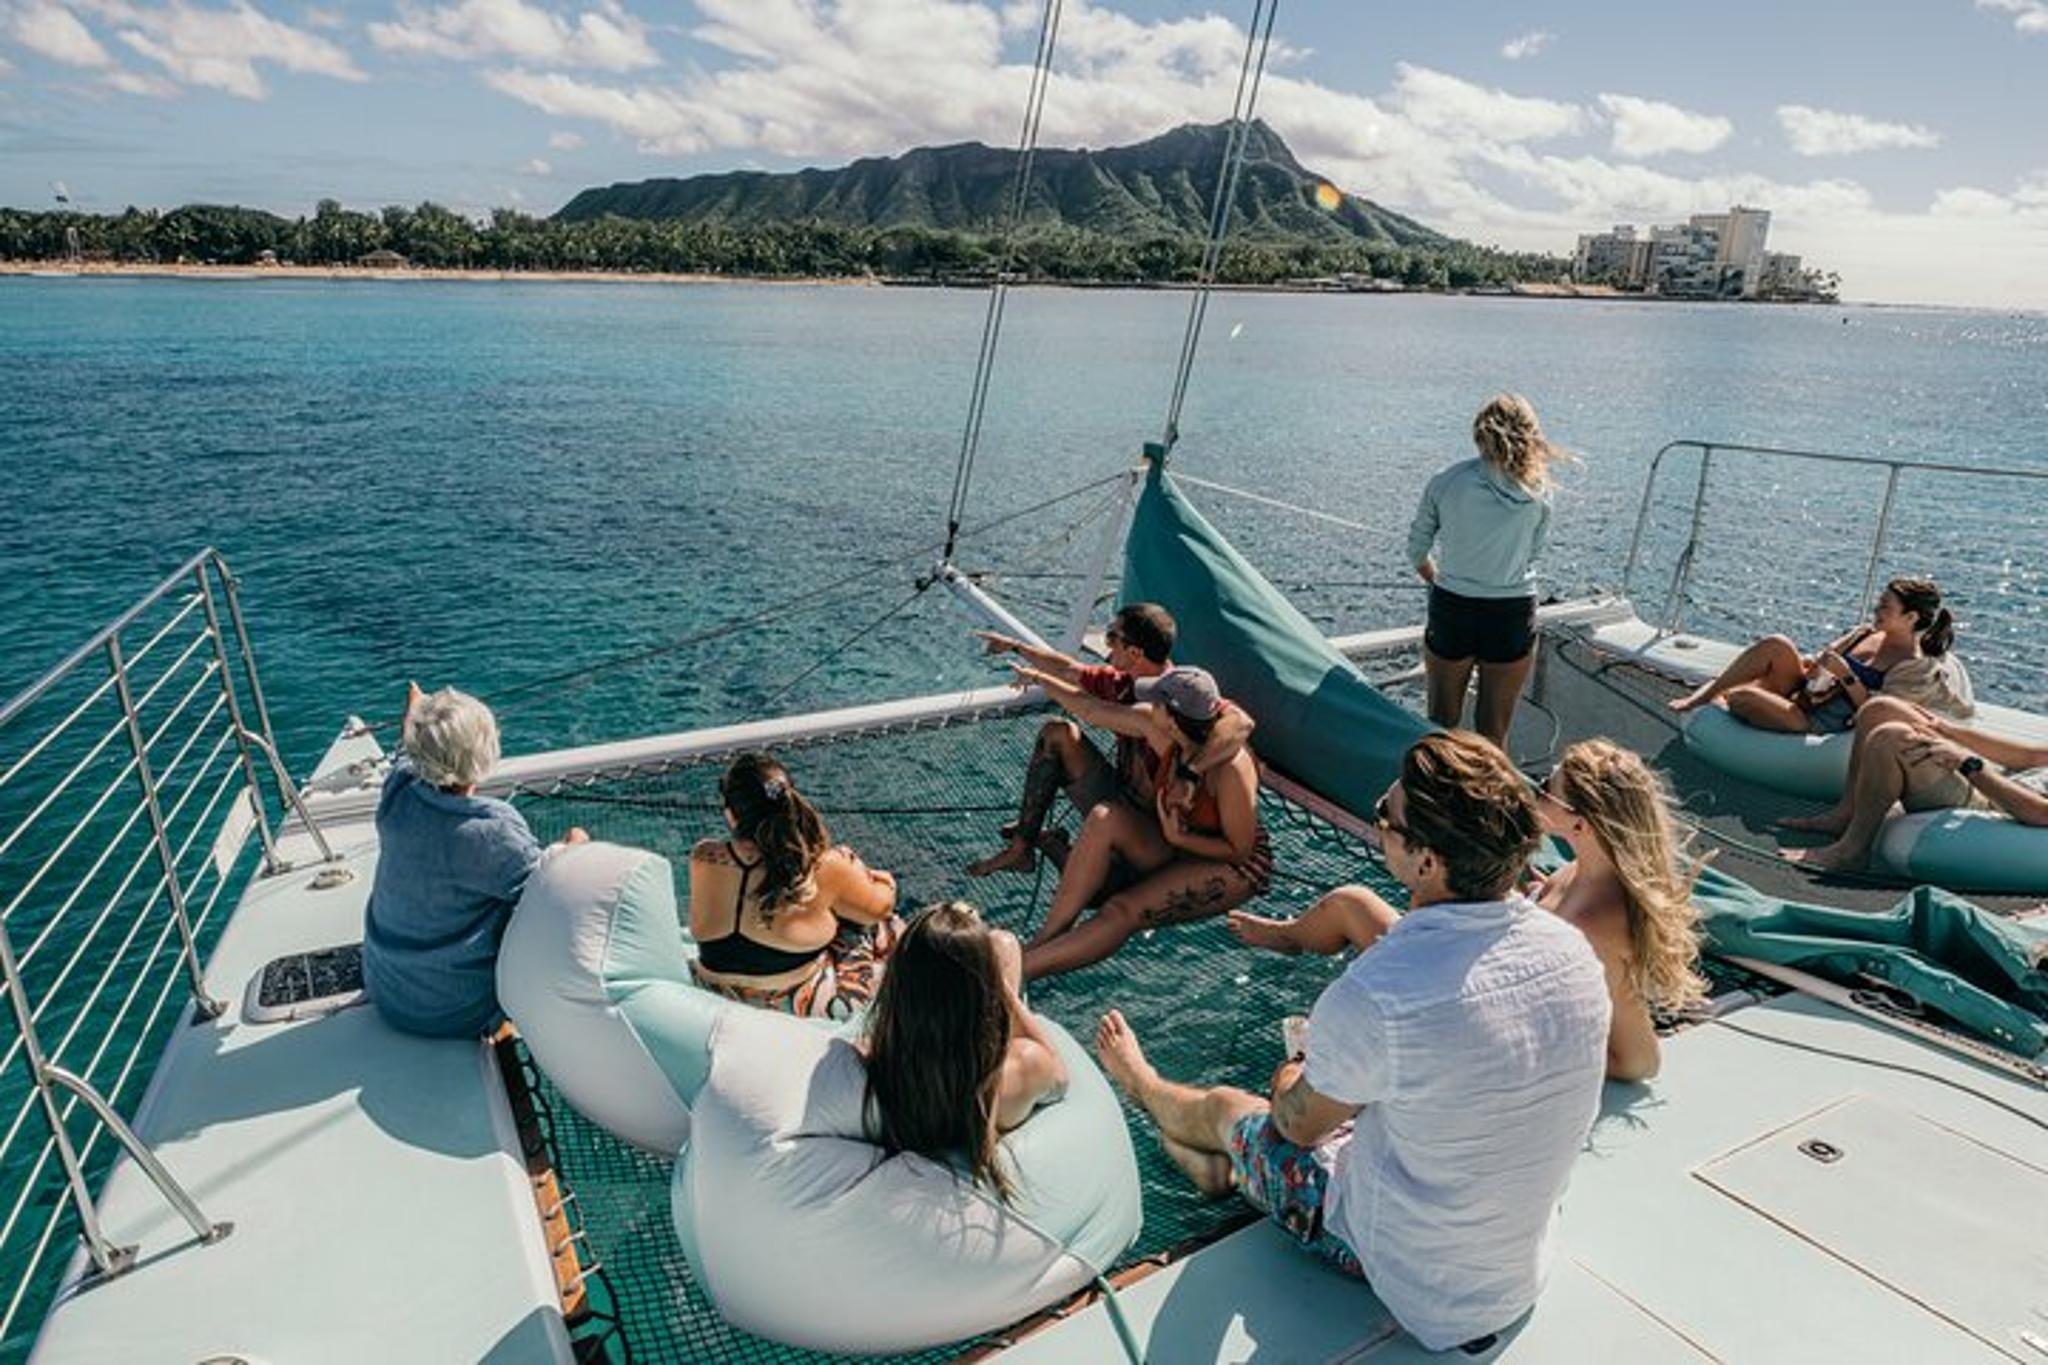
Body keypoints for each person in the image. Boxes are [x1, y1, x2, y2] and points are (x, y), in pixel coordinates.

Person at [1095, 732, 1610, 1352]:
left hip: (1418, 1283)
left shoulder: (1381, 993)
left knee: (1234, 1111)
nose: (1378, 824)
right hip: (1516, 1272)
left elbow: (1295, 1128)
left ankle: (1144, 1087)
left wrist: (1296, 1068)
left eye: (1384, 818)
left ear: (1427, 862)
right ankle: (1213, 1167)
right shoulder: (1572, 953)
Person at [1231, 738, 1705, 1082]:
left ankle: (1287, 940)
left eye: (1545, 788)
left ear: (1579, 823)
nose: (1533, 791)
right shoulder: (1579, 875)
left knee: (1353, 905)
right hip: (1479, 969)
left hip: (1482, 1012)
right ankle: (1288, 935)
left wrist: (1528, 1057)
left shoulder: (1598, 924)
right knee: (1350, 904)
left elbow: (1641, 1061)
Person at [1005, 665, 1270, 981]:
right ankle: (1043, 941)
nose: (1146, 706)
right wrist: (1040, 677)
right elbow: (1092, 709)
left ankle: (1021, 972)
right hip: (1176, 841)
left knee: (1121, 910)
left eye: (1155, 702)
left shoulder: (1231, 770)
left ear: (1172, 718)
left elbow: (1239, 850)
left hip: (1232, 863)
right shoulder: (1163, 734)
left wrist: (1182, 838)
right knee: (1106, 816)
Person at [364, 682, 588, 1038]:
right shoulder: (491, 830)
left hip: (388, 992)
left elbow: (405, 756)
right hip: (456, 1009)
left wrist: (419, 709)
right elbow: (550, 889)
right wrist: (575, 845)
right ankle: (505, 1025)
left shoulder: (398, 790)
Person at [861, 901, 1069, 1201]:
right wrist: (1002, 987)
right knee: (1005, 945)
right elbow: (1061, 1081)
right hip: (988, 1089)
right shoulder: (1024, 1063)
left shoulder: (873, 1060)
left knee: (997, 943)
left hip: (925, 1085)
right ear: (983, 991)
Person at [966, 603, 1177, 877]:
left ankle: (1054, 845)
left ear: (1135, 652)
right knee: (1058, 734)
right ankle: (1021, 849)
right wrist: (1015, 647)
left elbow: (1092, 712)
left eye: (1112, 638)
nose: (1107, 645)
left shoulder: (1169, 701)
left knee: (1097, 888)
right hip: (1123, 796)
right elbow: (1070, 670)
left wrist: (1038, 678)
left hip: (1153, 830)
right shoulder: (1126, 682)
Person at [688, 752, 902, 1018]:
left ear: (732, 815)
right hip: (795, 1006)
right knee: (880, 923)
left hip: (713, 993)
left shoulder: (704, 856)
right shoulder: (822, 867)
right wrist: (865, 873)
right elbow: (881, 908)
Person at [1408, 393, 1564, 748]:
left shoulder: (1447, 481)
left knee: (1440, 725)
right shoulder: (1539, 492)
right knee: (1493, 733)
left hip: (1453, 607)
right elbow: (1532, 555)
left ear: (1478, 433)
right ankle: (1489, 801)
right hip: (1511, 613)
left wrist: (1436, 580)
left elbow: (1416, 550)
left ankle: (1436, 797)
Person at [1667, 577, 1973, 732]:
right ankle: (1701, 698)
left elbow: (1879, 713)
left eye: (1885, 608)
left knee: (1743, 698)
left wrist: (1846, 675)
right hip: (1807, 694)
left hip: (1818, 722)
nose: (1876, 611)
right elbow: (1818, 667)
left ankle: (1730, 696)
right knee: (1776, 644)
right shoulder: (1865, 633)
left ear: (1912, 618)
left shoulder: (1912, 665)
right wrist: (1818, 665)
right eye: (1879, 603)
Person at [1781, 696, 2048, 871]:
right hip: (1991, 775)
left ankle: (1852, 851)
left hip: (1992, 801)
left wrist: (1968, 763)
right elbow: (2032, 756)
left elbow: (2041, 813)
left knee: (1890, 737)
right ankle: (1846, 813)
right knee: (1881, 709)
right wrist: (1948, 731)